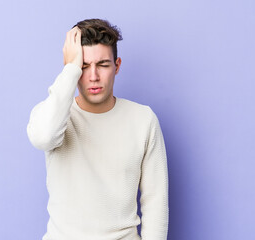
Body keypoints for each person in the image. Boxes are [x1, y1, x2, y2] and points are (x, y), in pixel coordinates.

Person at [26, 18, 169, 240]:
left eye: (102, 64)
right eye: (84, 66)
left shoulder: (143, 119)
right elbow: (43, 137)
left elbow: (156, 203)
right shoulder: (53, 115)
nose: (93, 76)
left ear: (117, 66)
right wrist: (70, 69)